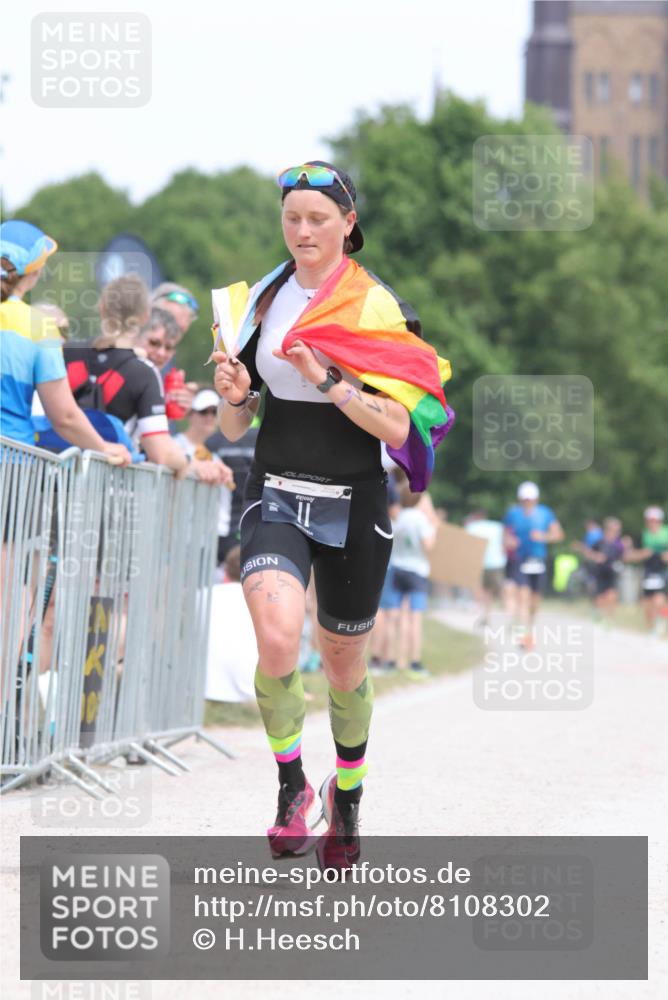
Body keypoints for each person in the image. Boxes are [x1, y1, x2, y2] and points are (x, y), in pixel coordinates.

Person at [212, 160, 452, 873]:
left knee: (345, 665)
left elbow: (400, 426)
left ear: (348, 223)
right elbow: (233, 428)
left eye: (318, 218)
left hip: (356, 500)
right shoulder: (260, 300)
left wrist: (328, 380)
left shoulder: (377, 308)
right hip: (276, 491)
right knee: (276, 638)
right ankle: (291, 788)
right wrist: (234, 393)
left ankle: (347, 795)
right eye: (292, 218)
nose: (303, 231)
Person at [63, 274, 223, 483]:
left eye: (169, 347)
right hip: (105, 484)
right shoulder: (144, 372)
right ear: (146, 317)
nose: (162, 353)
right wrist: (186, 461)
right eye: (155, 343)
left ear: (101, 307)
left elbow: (59, 416)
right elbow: (161, 452)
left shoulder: (66, 351)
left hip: (50, 474)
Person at [0, 220, 129, 464]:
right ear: (36, 273)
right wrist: (103, 447)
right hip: (10, 468)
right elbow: (65, 417)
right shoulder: (39, 327)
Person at [383, 484, 437, 679]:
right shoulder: (420, 519)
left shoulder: (398, 518)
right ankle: (414, 662)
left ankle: (391, 660)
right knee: (415, 617)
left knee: (394, 616)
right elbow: (428, 546)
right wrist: (434, 527)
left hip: (397, 568)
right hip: (417, 570)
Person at [502, 481, 564, 649]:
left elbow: (558, 535)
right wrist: (509, 542)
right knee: (523, 595)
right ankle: (524, 635)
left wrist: (542, 537)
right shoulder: (513, 514)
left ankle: (529, 628)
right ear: (520, 499)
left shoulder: (545, 513)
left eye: (530, 499)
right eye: (525, 499)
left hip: (538, 560)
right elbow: (505, 535)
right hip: (520, 559)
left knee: (535, 600)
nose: (527, 502)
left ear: (536, 499)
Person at [172, 388, 236, 541]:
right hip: (173, 534)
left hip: (200, 538)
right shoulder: (173, 446)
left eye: (214, 412)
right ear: (190, 414)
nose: (209, 417)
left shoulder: (215, 458)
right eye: (203, 411)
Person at [623, 506, 668, 635]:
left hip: (663, 572)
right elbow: (627, 556)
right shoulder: (642, 535)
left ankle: (660, 621)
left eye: (655, 520)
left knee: (659, 600)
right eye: (650, 520)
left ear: (660, 521)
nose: (653, 523)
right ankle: (651, 630)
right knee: (647, 604)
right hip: (647, 573)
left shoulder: (666, 534)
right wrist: (641, 554)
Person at [574, 517, 625, 626]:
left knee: (612, 596)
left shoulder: (619, 544)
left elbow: (623, 556)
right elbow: (589, 553)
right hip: (599, 572)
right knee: (600, 598)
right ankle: (598, 614)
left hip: (612, 573)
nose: (616, 533)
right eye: (614, 530)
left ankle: (609, 620)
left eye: (618, 531)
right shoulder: (599, 542)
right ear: (608, 529)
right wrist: (596, 556)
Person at [465, 509, 506, 627]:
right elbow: (504, 543)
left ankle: (482, 613)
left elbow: (467, 545)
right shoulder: (497, 526)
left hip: (479, 562)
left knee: (480, 589)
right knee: (492, 590)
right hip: (496, 562)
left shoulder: (471, 527)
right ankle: (492, 613)